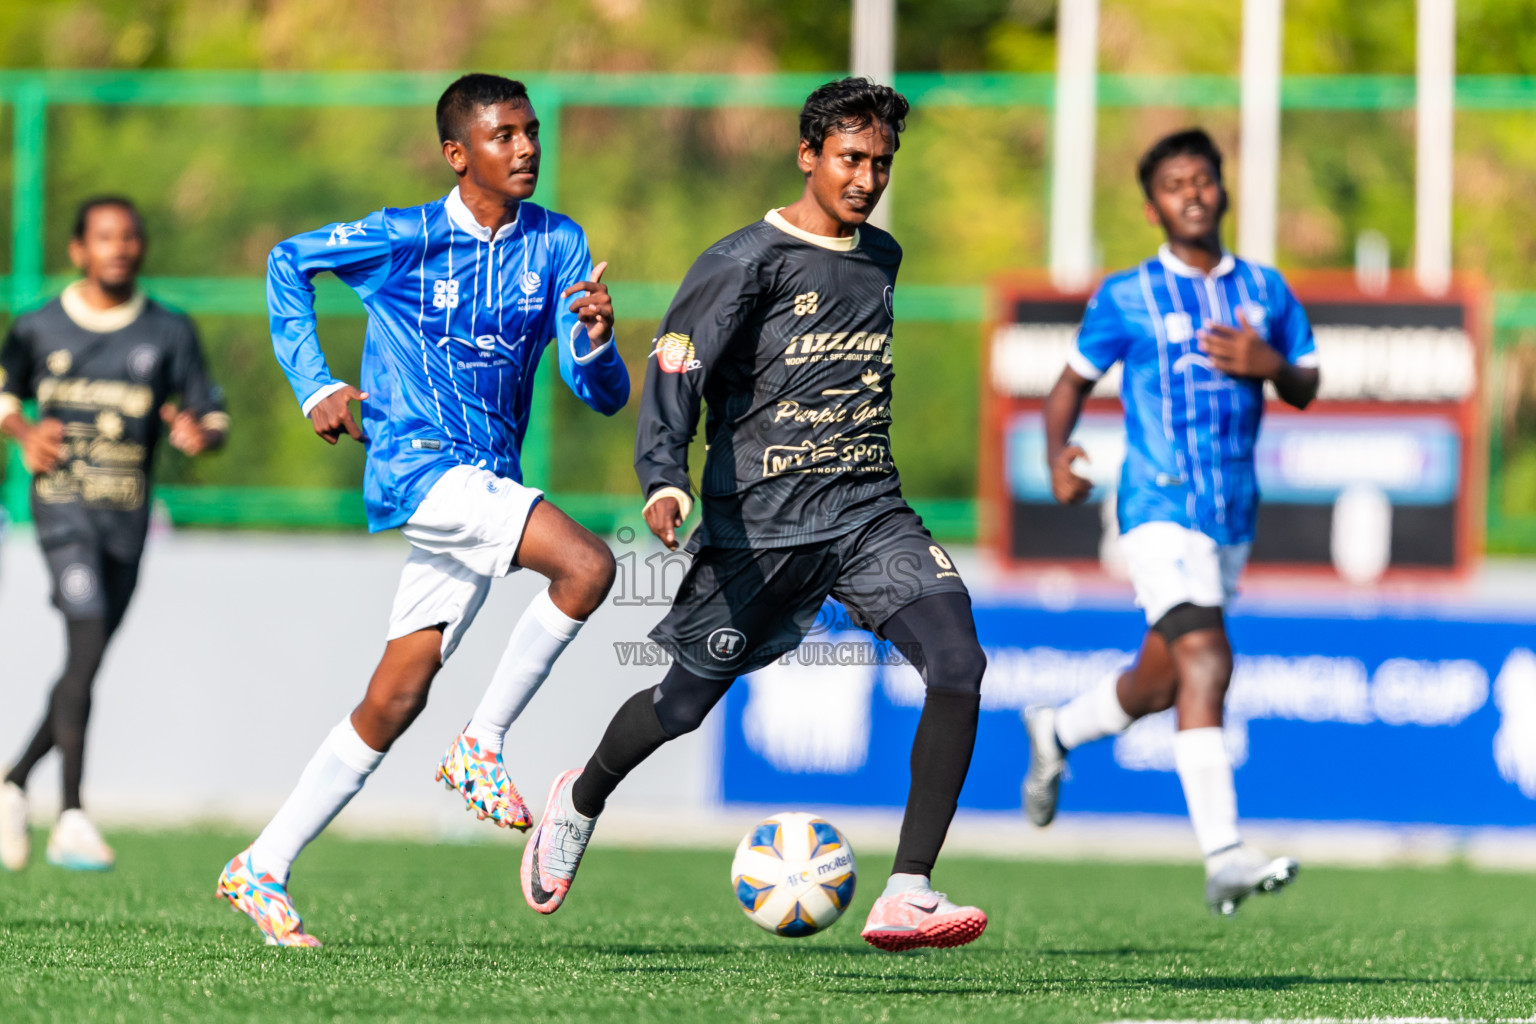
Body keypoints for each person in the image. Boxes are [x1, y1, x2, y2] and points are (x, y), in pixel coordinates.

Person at [518, 77, 988, 953]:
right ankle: (580, 799)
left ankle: (908, 889)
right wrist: (664, 476)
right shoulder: (743, 260)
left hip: (867, 514)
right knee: (682, 705)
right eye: (851, 158)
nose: (867, 177)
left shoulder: (881, 257)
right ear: (808, 154)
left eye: (882, 162)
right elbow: (676, 365)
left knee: (958, 661)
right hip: (760, 530)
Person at [216, 73, 629, 947]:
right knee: (590, 565)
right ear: (457, 154)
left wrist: (594, 341)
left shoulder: (558, 244)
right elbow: (287, 261)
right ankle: (482, 742)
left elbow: (597, 393)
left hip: (486, 479)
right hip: (417, 468)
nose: (525, 148)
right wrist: (314, 382)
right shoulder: (405, 237)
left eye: (530, 132)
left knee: (397, 693)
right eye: (504, 135)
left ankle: (262, 864)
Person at [1022, 128, 1319, 916]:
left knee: (1161, 679)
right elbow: (1068, 384)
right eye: (1174, 185)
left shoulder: (1264, 288)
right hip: (1155, 508)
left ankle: (1056, 731)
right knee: (1209, 661)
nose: (1191, 194)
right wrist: (1058, 452)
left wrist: (1273, 367)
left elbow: (1307, 384)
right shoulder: (1126, 295)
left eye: (1203, 180)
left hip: (1231, 517)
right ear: (1153, 205)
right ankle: (1223, 852)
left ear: (1222, 189)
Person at [0, 196, 229, 873]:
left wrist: (198, 434)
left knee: (86, 660)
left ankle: (12, 784)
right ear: (79, 250)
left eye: (129, 237)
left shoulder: (169, 331)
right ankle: (71, 814)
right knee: (87, 636)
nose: (119, 248)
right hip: (63, 511)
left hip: (127, 521)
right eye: (104, 238)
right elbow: (6, 393)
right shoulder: (39, 324)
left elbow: (210, 415)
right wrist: (22, 432)